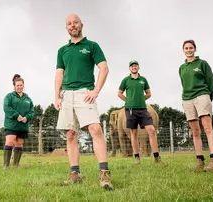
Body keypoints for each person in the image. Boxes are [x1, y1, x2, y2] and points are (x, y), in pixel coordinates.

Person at [55, 14, 113, 190]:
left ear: (81, 25)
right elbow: (59, 74)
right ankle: (75, 174)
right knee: (70, 134)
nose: (72, 25)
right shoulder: (62, 50)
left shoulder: (92, 46)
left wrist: (95, 91)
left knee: (95, 129)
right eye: (69, 24)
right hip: (66, 95)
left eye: (75, 23)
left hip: (84, 93)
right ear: (67, 28)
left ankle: (104, 174)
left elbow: (104, 68)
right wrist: (56, 96)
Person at [118, 60, 166, 165]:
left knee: (152, 130)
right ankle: (137, 158)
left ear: (138, 67)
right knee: (133, 133)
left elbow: (148, 93)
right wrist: (128, 100)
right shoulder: (126, 80)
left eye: (136, 66)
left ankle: (157, 158)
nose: (134, 67)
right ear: (129, 68)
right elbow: (119, 93)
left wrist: (141, 99)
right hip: (130, 110)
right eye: (132, 66)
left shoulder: (143, 80)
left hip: (143, 110)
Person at [179, 40, 213, 171]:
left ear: (195, 49)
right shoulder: (182, 68)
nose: (188, 50)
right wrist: (185, 99)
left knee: (207, 128)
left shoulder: (202, 64)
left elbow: (211, 81)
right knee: (195, 131)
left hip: (202, 95)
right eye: (186, 48)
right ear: (183, 50)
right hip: (187, 99)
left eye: (191, 48)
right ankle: (200, 160)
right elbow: (184, 84)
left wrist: (208, 97)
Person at [3, 74, 34, 169]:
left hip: (23, 126)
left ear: (23, 85)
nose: (20, 87)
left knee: (19, 144)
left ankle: (16, 165)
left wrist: (27, 118)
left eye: (21, 85)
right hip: (12, 124)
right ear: (14, 86)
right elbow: (6, 108)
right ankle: (6, 165)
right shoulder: (9, 96)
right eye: (17, 85)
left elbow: (32, 111)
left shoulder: (28, 99)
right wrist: (17, 115)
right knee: (9, 142)